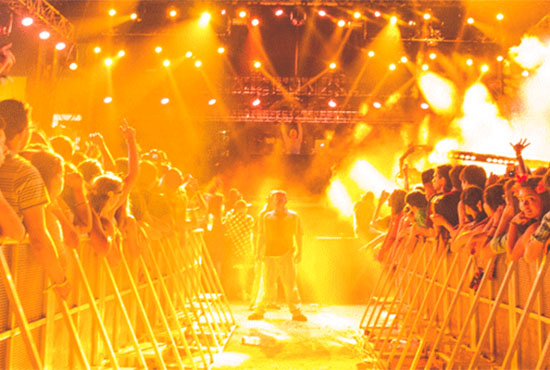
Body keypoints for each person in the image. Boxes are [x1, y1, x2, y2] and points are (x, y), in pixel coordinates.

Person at [0, 99, 69, 299]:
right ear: (24, 133)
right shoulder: (25, 173)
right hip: (8, 283)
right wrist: (61, 280)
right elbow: (38, 238)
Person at [248, 190, 307, 321]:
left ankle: (296, 312)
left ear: (285, 201)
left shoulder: (293, 216)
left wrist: (299, 251)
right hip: (270, 254)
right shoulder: (266, 217)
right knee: (267, 284)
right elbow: (261, 235)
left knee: (290, 284)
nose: (278, 202)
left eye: (281, 200)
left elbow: (298, 234)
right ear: (272, 202)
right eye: (276, 200)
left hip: (287, 254)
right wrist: (258, 251)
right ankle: (259, 311)